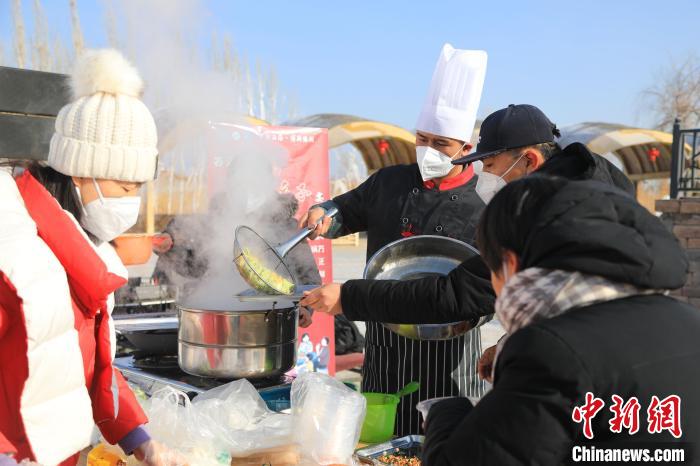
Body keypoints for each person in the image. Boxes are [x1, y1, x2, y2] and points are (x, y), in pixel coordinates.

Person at [422, 175, 700, 465]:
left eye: (492, 268)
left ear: (510, 263)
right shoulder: (689, 320)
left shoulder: (550, 349)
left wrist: (445, 413)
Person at [302, 104, 634, 341]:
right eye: (422, 139)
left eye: (489, 165)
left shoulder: (546, 216)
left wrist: (351, 297)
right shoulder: (578, 194)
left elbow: (458, 293)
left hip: (463, 341)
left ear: (529, 160)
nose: (486, 176)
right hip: (387, 336)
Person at [0, 50, 182, 466]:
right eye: (124, 187)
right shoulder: (11, 249)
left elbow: (94, 368)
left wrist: (141, 440)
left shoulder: (85, 249)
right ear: (81, 171)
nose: (132, 203)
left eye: (139, 188)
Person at [299, 44, 489, 435]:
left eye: (441, 144)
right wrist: (325, 213)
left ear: (466, 150)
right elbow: (346, 210)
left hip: (452, 350)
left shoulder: (485, 203)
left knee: (446, 443)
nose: (428, 151)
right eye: (422, 139)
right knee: (381, 441)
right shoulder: (390, 182)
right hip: (387, 345)